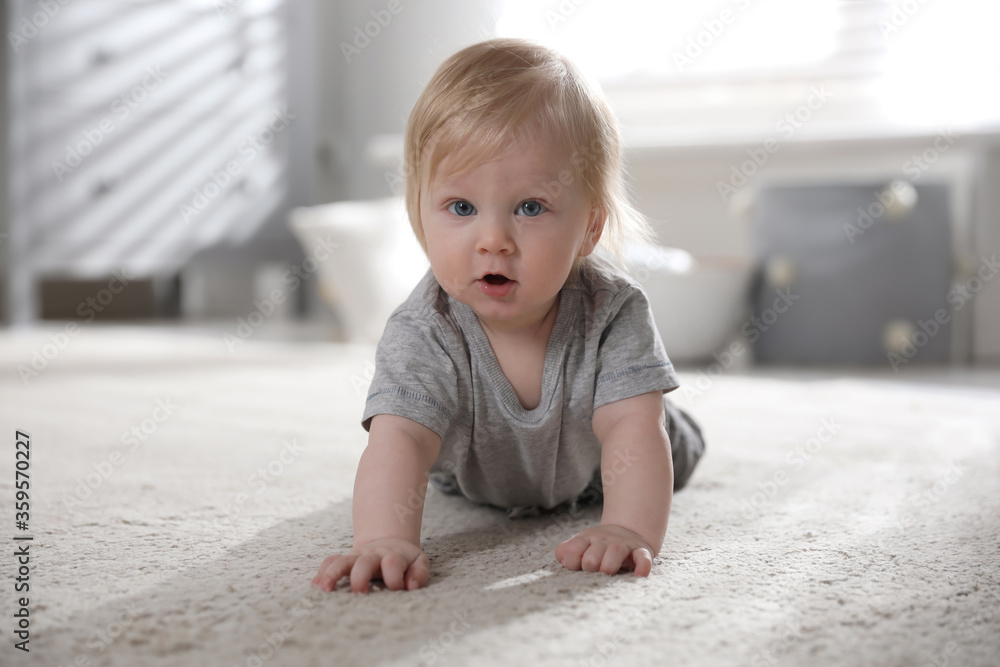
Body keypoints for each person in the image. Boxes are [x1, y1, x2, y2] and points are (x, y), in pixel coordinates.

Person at [312, 37, 705, 594]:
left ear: (589, 227)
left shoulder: (613, 311)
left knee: (663, 434)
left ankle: (672, 414)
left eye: (530, 207)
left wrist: (626, 526)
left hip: (592, 472)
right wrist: (382, 539)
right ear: (420, 215)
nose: (493, 239)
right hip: (474, 481)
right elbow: (399, 438)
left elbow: (630, 427)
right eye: (461, 208)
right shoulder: (425, 329)